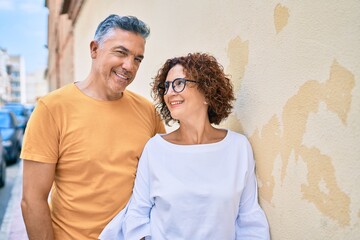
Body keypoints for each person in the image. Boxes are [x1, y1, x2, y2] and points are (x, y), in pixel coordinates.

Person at [20, 14, 165, 239]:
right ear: (94, 49)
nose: (129, 66)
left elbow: (161, 184)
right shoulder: (52, 108)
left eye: (138, 59)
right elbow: (32, 200)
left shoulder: (148, 112)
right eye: (121, 52)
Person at [99, 52, 270, 239]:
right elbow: (137, 215)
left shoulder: (238, 147)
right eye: (166, 86)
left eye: (179, 83)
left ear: (207, 92)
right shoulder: (155, 149)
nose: (170, 92)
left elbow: (250, 220)